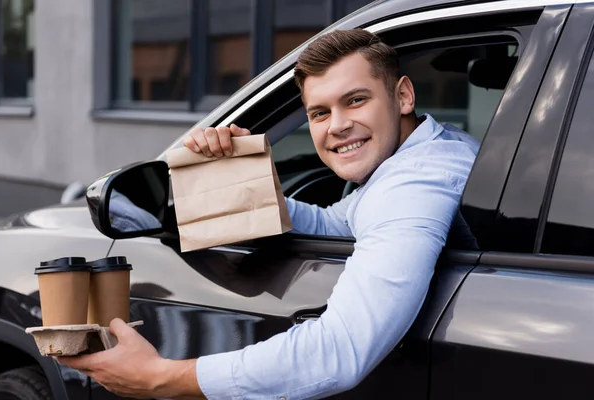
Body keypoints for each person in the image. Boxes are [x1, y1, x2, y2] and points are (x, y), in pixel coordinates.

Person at [57, 29, 480, 399]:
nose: (337, 125)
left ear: (403, 95)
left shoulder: (414, 185)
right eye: (320, 112)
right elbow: (343, 224)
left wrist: (160, 377)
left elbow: (340, 350)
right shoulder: (428, 150)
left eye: (355, 101)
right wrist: (247, 183)